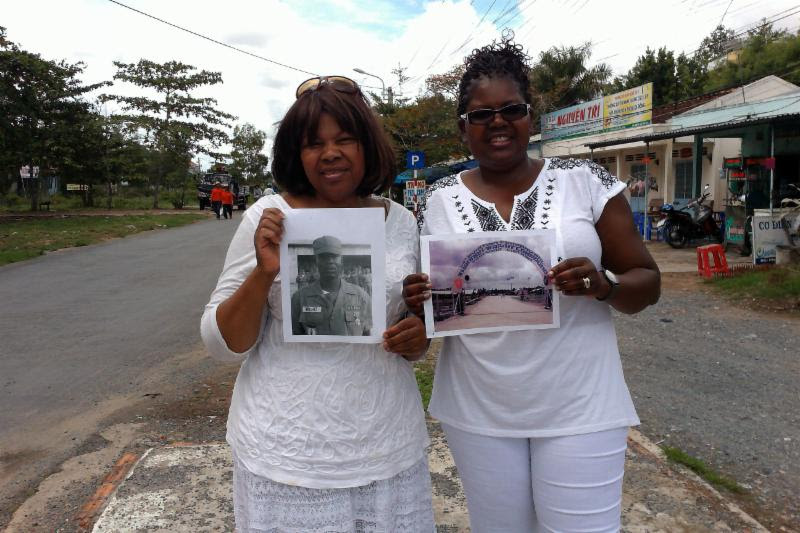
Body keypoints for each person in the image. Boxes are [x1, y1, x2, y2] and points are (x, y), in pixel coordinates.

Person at [403, 38, 661, 533]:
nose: (497, 122)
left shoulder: (584, 180)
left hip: (581, 405)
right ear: (463, 127)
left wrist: (603, 284)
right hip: (478, 410)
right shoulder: (437, 199)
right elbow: (429, 310)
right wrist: (421, 301)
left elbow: (646, 283)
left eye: (512, 109)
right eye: (481, 115)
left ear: (530, 116)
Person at [200, 75, 434, 532]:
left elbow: (412, 326)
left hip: (387, 445)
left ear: (367, 145)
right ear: (296, 153)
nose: (330, 153)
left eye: (345, 139)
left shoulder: (401, 221)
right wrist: (263, 272)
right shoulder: (270, 218)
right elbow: (221, 344)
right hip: (288, 452)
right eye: (314, 143)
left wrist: (418, 336)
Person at [291, 235, 371, 336]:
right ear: (316, 260)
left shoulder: (361, 296)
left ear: (341, 259)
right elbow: (296, 337)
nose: (330, 261)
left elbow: (367, 335)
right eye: (323, 257)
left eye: (334, 256)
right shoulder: (299, 298)